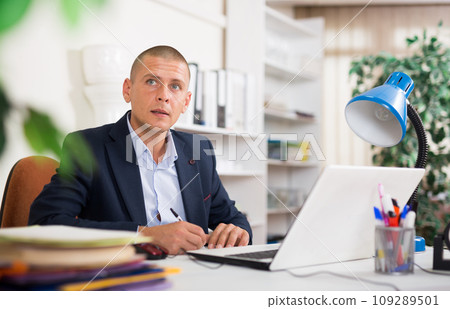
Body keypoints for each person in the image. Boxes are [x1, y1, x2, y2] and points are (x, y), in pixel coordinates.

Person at [28, 45, 252, 254]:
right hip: (125, 279)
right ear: (128, 90)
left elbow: (234, 219)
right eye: (152, 82)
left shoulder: (199, 150)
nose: (164, 95)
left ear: (186, 102)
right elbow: (45, 222)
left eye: (175, 86)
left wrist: (237, 232)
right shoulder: (88, 147)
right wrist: (144, 235)